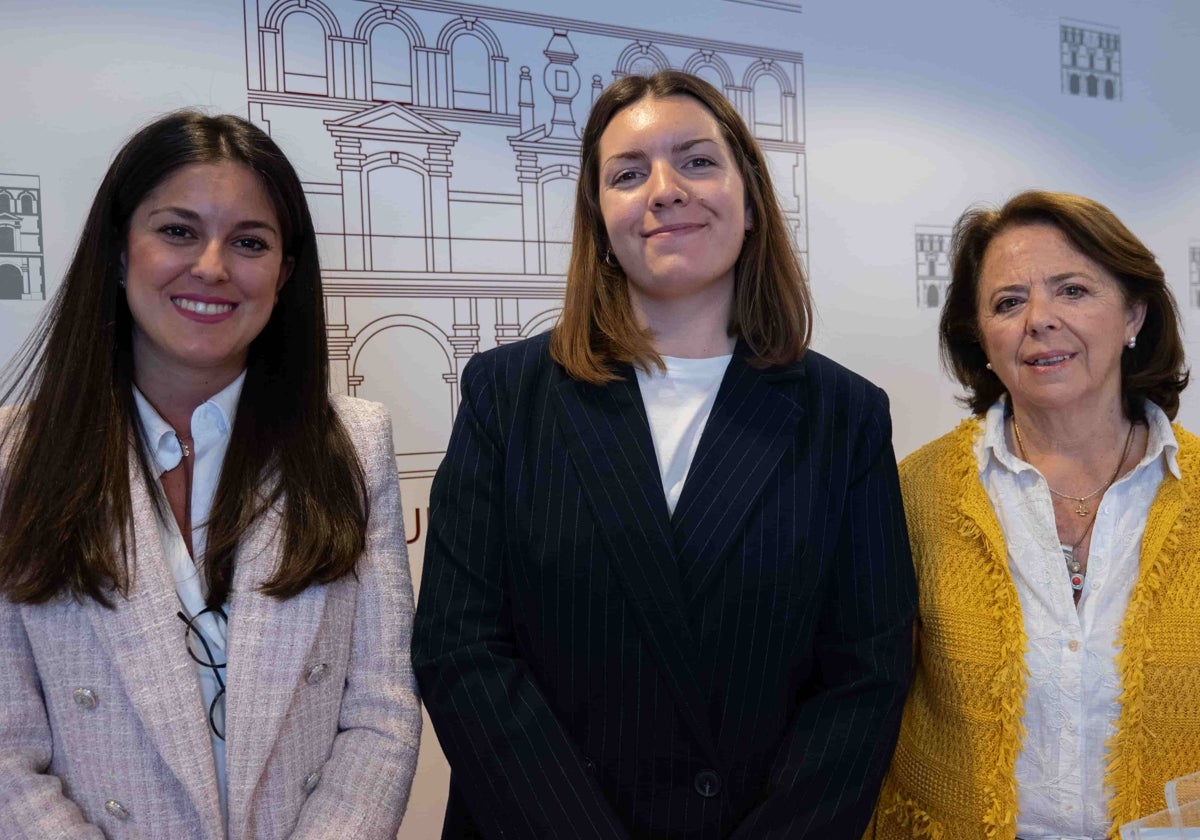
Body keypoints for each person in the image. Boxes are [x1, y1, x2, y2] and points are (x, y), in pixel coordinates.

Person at [413, 70, 916, 839]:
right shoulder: (507, 396)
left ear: (749, 202)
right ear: (599, 219)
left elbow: (866, 674)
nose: (665, 189)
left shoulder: (844, 414)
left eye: (697, 161)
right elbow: (460, 650)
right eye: (627, 173)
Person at [0, 111, 420, 839]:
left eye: (250, 242)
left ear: (284, 273)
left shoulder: (354, 445)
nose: (213, 267)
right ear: (118, 249)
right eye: (178, 231)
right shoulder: (16, 458)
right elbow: (7, 752)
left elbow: (380, 709)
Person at [867, 191, 1199, 839]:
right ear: (980, 339)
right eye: (1008, 302)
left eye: (1072, 290)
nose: (1038, 320)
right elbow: (865, 700)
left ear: (1134, 314)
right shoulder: (913, 492)